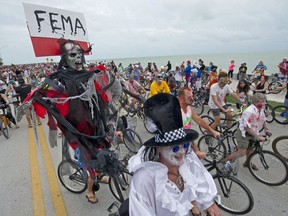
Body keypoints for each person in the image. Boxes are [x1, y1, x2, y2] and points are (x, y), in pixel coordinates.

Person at [19, 39, 112, 204]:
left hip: (94, 127)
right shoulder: (59, 80)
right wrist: (31, 99)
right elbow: (42, 92)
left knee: (103, 152)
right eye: (73, 54)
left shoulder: (87, 74)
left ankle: (97, 175)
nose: (78, 58)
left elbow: (102, 89)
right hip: (77, 132)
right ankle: (89, 190)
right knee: (90, 164)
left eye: (80, 54)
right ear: (64, 58)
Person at [129, 93, 221, 216]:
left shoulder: (188, 159)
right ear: (159, 148)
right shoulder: (145, 179)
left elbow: (201, 177)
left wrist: (208, 203)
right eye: (175, 147)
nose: (182, 151)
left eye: (186, 145)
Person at [221, 93, 271, 170]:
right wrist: (258, 137)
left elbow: (263, 119)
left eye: (265, 101)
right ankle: (225, 161)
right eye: (262, 101)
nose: (264, 103)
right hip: (244, 133)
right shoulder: (249, 111)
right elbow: (247, 128)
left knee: (251, 150)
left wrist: (266, 129)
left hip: (253, 132)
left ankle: (247, 162)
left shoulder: (261, 109)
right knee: (242, 153)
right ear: (255, 102)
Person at [178, 86, 220, 159]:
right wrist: (196, 149)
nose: (192, 98)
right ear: (181, 98)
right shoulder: (177, 111)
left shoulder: (189, 108)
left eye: (192, 95)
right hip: (177, 147)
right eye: (189, 97)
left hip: (186, 143)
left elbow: (199, 120)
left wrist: (212, 131)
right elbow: (181, 135)